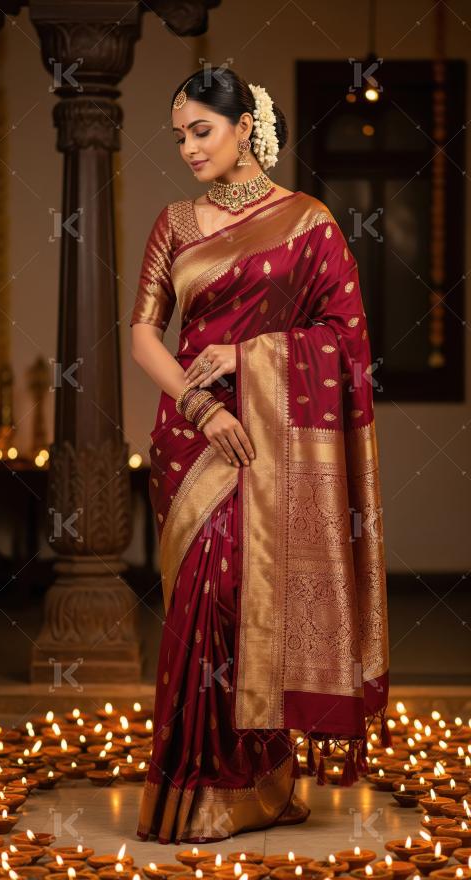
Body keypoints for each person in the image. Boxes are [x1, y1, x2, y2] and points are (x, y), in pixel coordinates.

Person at [130, 67, 391, 845]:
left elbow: (346, 343)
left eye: (200, 131)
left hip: (274, 440)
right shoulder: (175, 223)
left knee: (251, 598)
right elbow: (144, 332)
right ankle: (195, 785)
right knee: (200, 606)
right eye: (179, 135)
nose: (187, 149)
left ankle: (257, 781)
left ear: (246, 125)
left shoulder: (309, 223)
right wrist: (200, 403)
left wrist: (247, 360)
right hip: (193, 438)